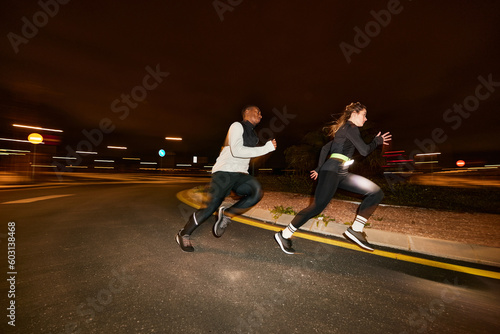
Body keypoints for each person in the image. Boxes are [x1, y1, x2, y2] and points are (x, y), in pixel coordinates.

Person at [274, 102, 391, 254]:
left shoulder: (344, 131)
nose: (366, 119)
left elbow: (325, 148)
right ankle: (284, 234)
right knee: (316, 207)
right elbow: (364, 150)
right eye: (364, 115)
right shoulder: (351, 128)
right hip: (333, 171)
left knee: (376, 192)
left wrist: (318, 168)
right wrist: (377, 141)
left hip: (340, 171)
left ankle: (356, 229)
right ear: (354, 115)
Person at [176, 105, 277, 252]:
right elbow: (236, 151)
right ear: (247, 112)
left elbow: (246, 156)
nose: (260, 115)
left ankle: (227, 215)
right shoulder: (237, 126)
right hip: (224, 172)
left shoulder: (254, 135)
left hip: (240, 174)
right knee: (209, 209)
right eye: (258, 112)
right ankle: (184, 234)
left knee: (257, 191)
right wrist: (266, 148)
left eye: (261, 114)